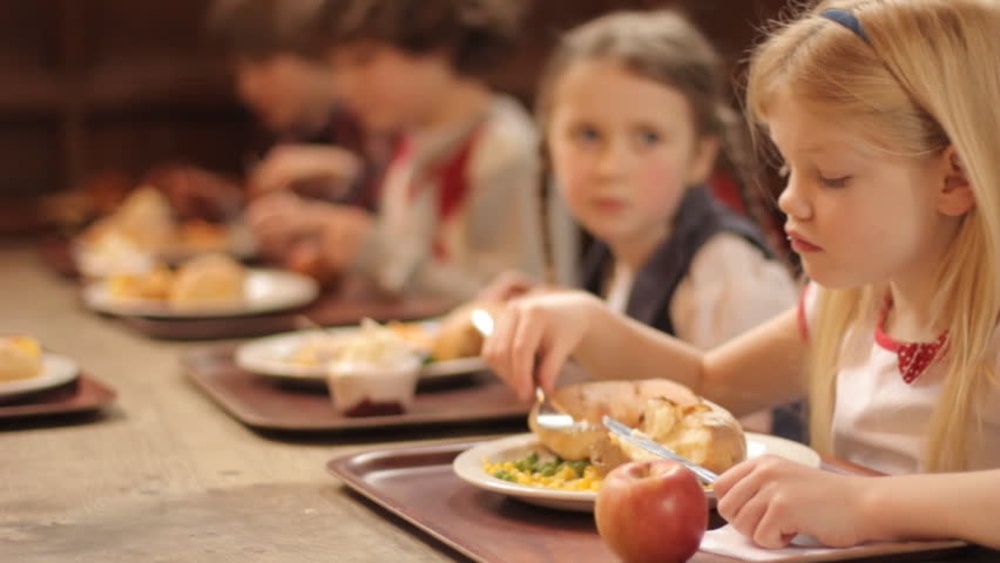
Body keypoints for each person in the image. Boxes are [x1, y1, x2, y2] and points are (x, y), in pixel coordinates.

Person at [482, 0, 1000, 550]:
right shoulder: (848, 304)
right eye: (788, 167)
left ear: (954, 179)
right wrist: (586, 321)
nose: (789, 199)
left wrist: (864, 505)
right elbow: (710, 383)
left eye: (831, 176)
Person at [482, 10, 800, 434]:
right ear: (548, 145)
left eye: (648, 137)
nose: (611, 167)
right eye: (587, 135)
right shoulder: (614, 253)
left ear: (699, 157)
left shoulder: (726, 273)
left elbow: (741, 434)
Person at [248, 0, 548, 300]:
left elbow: (514, 300)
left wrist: (373, 252)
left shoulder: (504, 153)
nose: (346, 88)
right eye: (338, 67)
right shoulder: (414, 139)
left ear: (438, 45)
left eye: (364, 61)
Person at [152, 0, 388, 226]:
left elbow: (390, 222)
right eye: (240, 71)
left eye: (262, 66)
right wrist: (226, 200)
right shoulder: (298, 131)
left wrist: (351, 173)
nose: (247, 89)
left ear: (318, 53)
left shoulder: (376, 122)